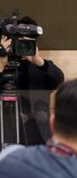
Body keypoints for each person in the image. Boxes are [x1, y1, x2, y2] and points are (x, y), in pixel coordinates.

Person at [1, 16, 64, 145]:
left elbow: (59, 80)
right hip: (6, 134)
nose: (23, 45)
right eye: (19, 40)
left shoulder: (41, 68)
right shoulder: (2, 67)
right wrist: (1, 63)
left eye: (28, 41)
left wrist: (39, 61)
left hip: (36, 137)